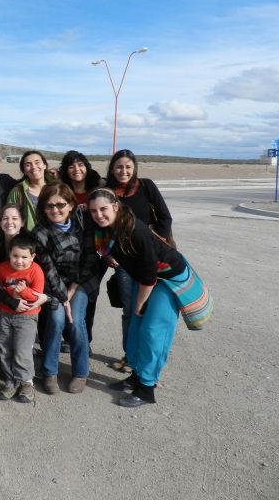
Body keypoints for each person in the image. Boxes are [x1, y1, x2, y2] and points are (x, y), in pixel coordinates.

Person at [86, 188, 192, 407]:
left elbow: (149, 275)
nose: (99, 215)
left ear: (115, 206)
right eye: (93, 211)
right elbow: (105, 250)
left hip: (169, 278)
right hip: (145, 277)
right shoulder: (107, 229)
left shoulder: (135, 230)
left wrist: (141, 303)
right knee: (135, 327)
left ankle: (146, 388)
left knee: (153, 330)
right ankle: (136, 374)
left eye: (103, 209)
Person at [106, 149, 174, 373]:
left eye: (127, 166)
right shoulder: (108, 192)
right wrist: (109, 253)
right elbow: (103, 227)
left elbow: (165, 217)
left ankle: (145, 360)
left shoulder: (146, 186)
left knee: (149, 310)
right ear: (112, 169)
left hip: (151, 260)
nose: (123, 171)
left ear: (134, 167)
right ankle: (130, 355)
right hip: (125, 263)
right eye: (118, 167)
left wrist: (155, 243)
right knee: (130, 310)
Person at [31, 183, 91, 395]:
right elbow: (48, 268)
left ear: (72, 205)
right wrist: (63, 296)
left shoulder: (82, 224)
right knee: (56, 321)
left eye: (60, 205)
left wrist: (73, 290)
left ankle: (81, 371)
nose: (55, 210)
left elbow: (89, 259)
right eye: (49, 206)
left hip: (80, 282)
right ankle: (49, 372)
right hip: (54, 285)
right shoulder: (40, 232)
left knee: (75, 321)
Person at [0, 204, 46, 383]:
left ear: (22, 222)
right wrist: (9, 300)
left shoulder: (31, 242)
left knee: (27, 328)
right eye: (5, 218)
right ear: (0, 222)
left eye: (14, 218)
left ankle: (26, 371)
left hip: (27, 292)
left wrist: (46, 297)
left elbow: (43, 271)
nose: (10, 222)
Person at [58, 150, 106, 345]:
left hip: (97, 251)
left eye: (80, 164)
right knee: (69, 294)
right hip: (70, 253)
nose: (76, 169)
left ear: (86, 166)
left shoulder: (99, 188)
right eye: (71, 166)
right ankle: (71, 339)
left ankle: (86, 341)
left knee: (88, 295)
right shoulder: (63, 189)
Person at [0, 234, 45, 403]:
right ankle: (10, 381)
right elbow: (0, 289)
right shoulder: (2, 268)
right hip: (5, 314)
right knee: (5, 349)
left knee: (22, 350)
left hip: (27, 317)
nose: (19, 261)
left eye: (24, 257)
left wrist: (23, 291)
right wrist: (13, 293)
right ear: (9, 253)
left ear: (32, 257)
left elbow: (37, 295)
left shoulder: (35, 270)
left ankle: (25, 383)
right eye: (15, 256)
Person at [7, 150, 57, 232]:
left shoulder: (57, 187)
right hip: (30, 241)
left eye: (37, 162)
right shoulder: (18, 191)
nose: (33, 167)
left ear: (44, 165)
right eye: (28, 164)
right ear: (24, 171)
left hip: (57, 239)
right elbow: (11, 219)